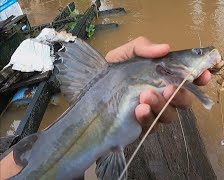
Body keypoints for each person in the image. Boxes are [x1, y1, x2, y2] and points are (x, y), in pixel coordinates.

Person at [0, 36, 211, 179]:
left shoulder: (167, 77)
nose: (203, 54)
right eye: (198, 52)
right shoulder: (163, 72)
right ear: (165, 68)